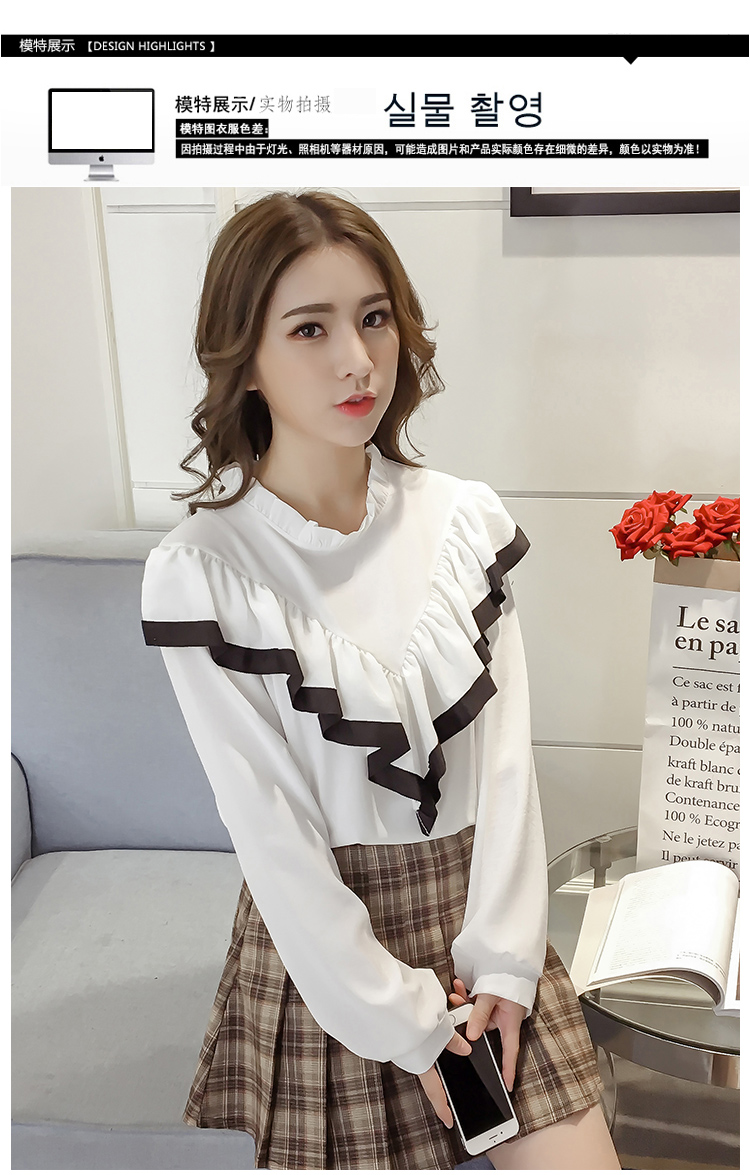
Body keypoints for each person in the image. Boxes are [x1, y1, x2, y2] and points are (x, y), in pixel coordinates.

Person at [141, 189, 620, 1171]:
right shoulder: (205, 572)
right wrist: (404, 1020)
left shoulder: (463, 523)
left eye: (373, 317)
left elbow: (506, 772)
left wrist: (507, 964)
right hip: (335, 965)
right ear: (245, 358)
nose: (357, 359)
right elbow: (273, 836)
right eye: (309, 328)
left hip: (488, 924)